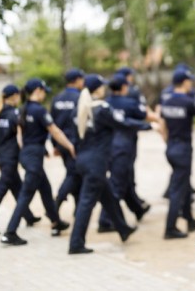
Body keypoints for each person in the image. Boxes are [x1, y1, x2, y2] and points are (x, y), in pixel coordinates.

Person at [68, 74, 150, 254]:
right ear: (97, 89)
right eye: (101, 86)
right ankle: (76, 243)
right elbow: (123, 123)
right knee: (86, 202)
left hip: (83, 160)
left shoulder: (79, 109)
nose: (104, 88)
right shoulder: (101, 109)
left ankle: (123, 229)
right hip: (96, 163)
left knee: (108, 196)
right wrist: (148, 126)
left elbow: (74, 137)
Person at [1, 78, 74, 246]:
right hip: (34, 156)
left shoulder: (22, 109)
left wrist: (28, 151)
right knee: (26, 195)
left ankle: (56, 221)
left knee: (46, 190)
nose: (44, 95)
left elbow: (20, 135)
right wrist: (69, 146)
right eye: (43, 92)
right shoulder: (40, 111)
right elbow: (55, 131)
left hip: (27, 153)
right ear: (38, 91)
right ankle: (10, 232)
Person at [0, 85, 40, 236]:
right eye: (18, 95)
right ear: (13, 96)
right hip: (10, 157)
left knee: (17, 186)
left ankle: (28, 216)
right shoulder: (13, 113)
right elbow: (20, 134)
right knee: (1, 189)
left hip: (0, 156)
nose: (19, 97)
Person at [97, 75, 157, 232]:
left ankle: (138, 209)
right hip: (123, 149)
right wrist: (154, 124)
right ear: (124, 87)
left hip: (108, 148)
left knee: (126, 181)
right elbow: (144, 117)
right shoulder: (130, 103)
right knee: (117, 184)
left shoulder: (105, 104)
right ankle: (105, 220)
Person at [161, 68, 195, 239]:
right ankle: (170, 227)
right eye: (190, 81)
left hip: (171, 147)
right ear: (185, 82)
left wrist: (168, 142)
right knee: (177, 190)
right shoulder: (188, 102)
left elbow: (162, 124)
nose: (191, 83)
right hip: (183, 149)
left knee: (184, 183)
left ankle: (189, 219)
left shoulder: (167, 101)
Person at [51, 68, 85, 215]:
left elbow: (52, 124)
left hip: (61, 143)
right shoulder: (80, 98)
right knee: (73, 175)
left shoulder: (57, 98)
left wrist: (55, 145)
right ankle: (56, 204)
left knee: (75, 175)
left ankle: (77, 209)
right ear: (77, 80)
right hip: (74, 144)